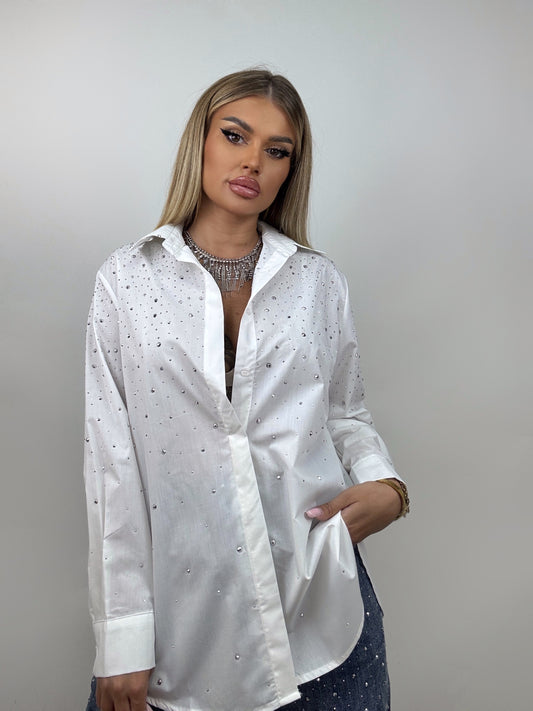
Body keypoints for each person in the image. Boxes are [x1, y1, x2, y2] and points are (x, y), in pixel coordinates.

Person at [84, 69, 409, 711]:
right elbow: (111, 466)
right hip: (182, 629)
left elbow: (345, 412)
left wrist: (387, 485)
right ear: (200, 142)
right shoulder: (125, 281)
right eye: (235, 136)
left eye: (277, 150)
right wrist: (122, 637)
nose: (253, 161)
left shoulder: (318, 282)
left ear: (290, 169)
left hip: (321, 608)